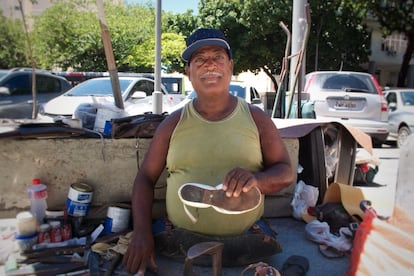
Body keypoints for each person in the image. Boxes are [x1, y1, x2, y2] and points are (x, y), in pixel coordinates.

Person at [123, 28, 294, 275]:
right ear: (188, 72)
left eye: (218, 57)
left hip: (246, 242)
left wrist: (257, 180)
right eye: (200, 59)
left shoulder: (256, 119)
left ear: (230, 66)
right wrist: (142, 232)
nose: (210, 65)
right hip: (178, 242)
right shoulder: (172, 123)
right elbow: (145, 178)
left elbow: (286, 172)